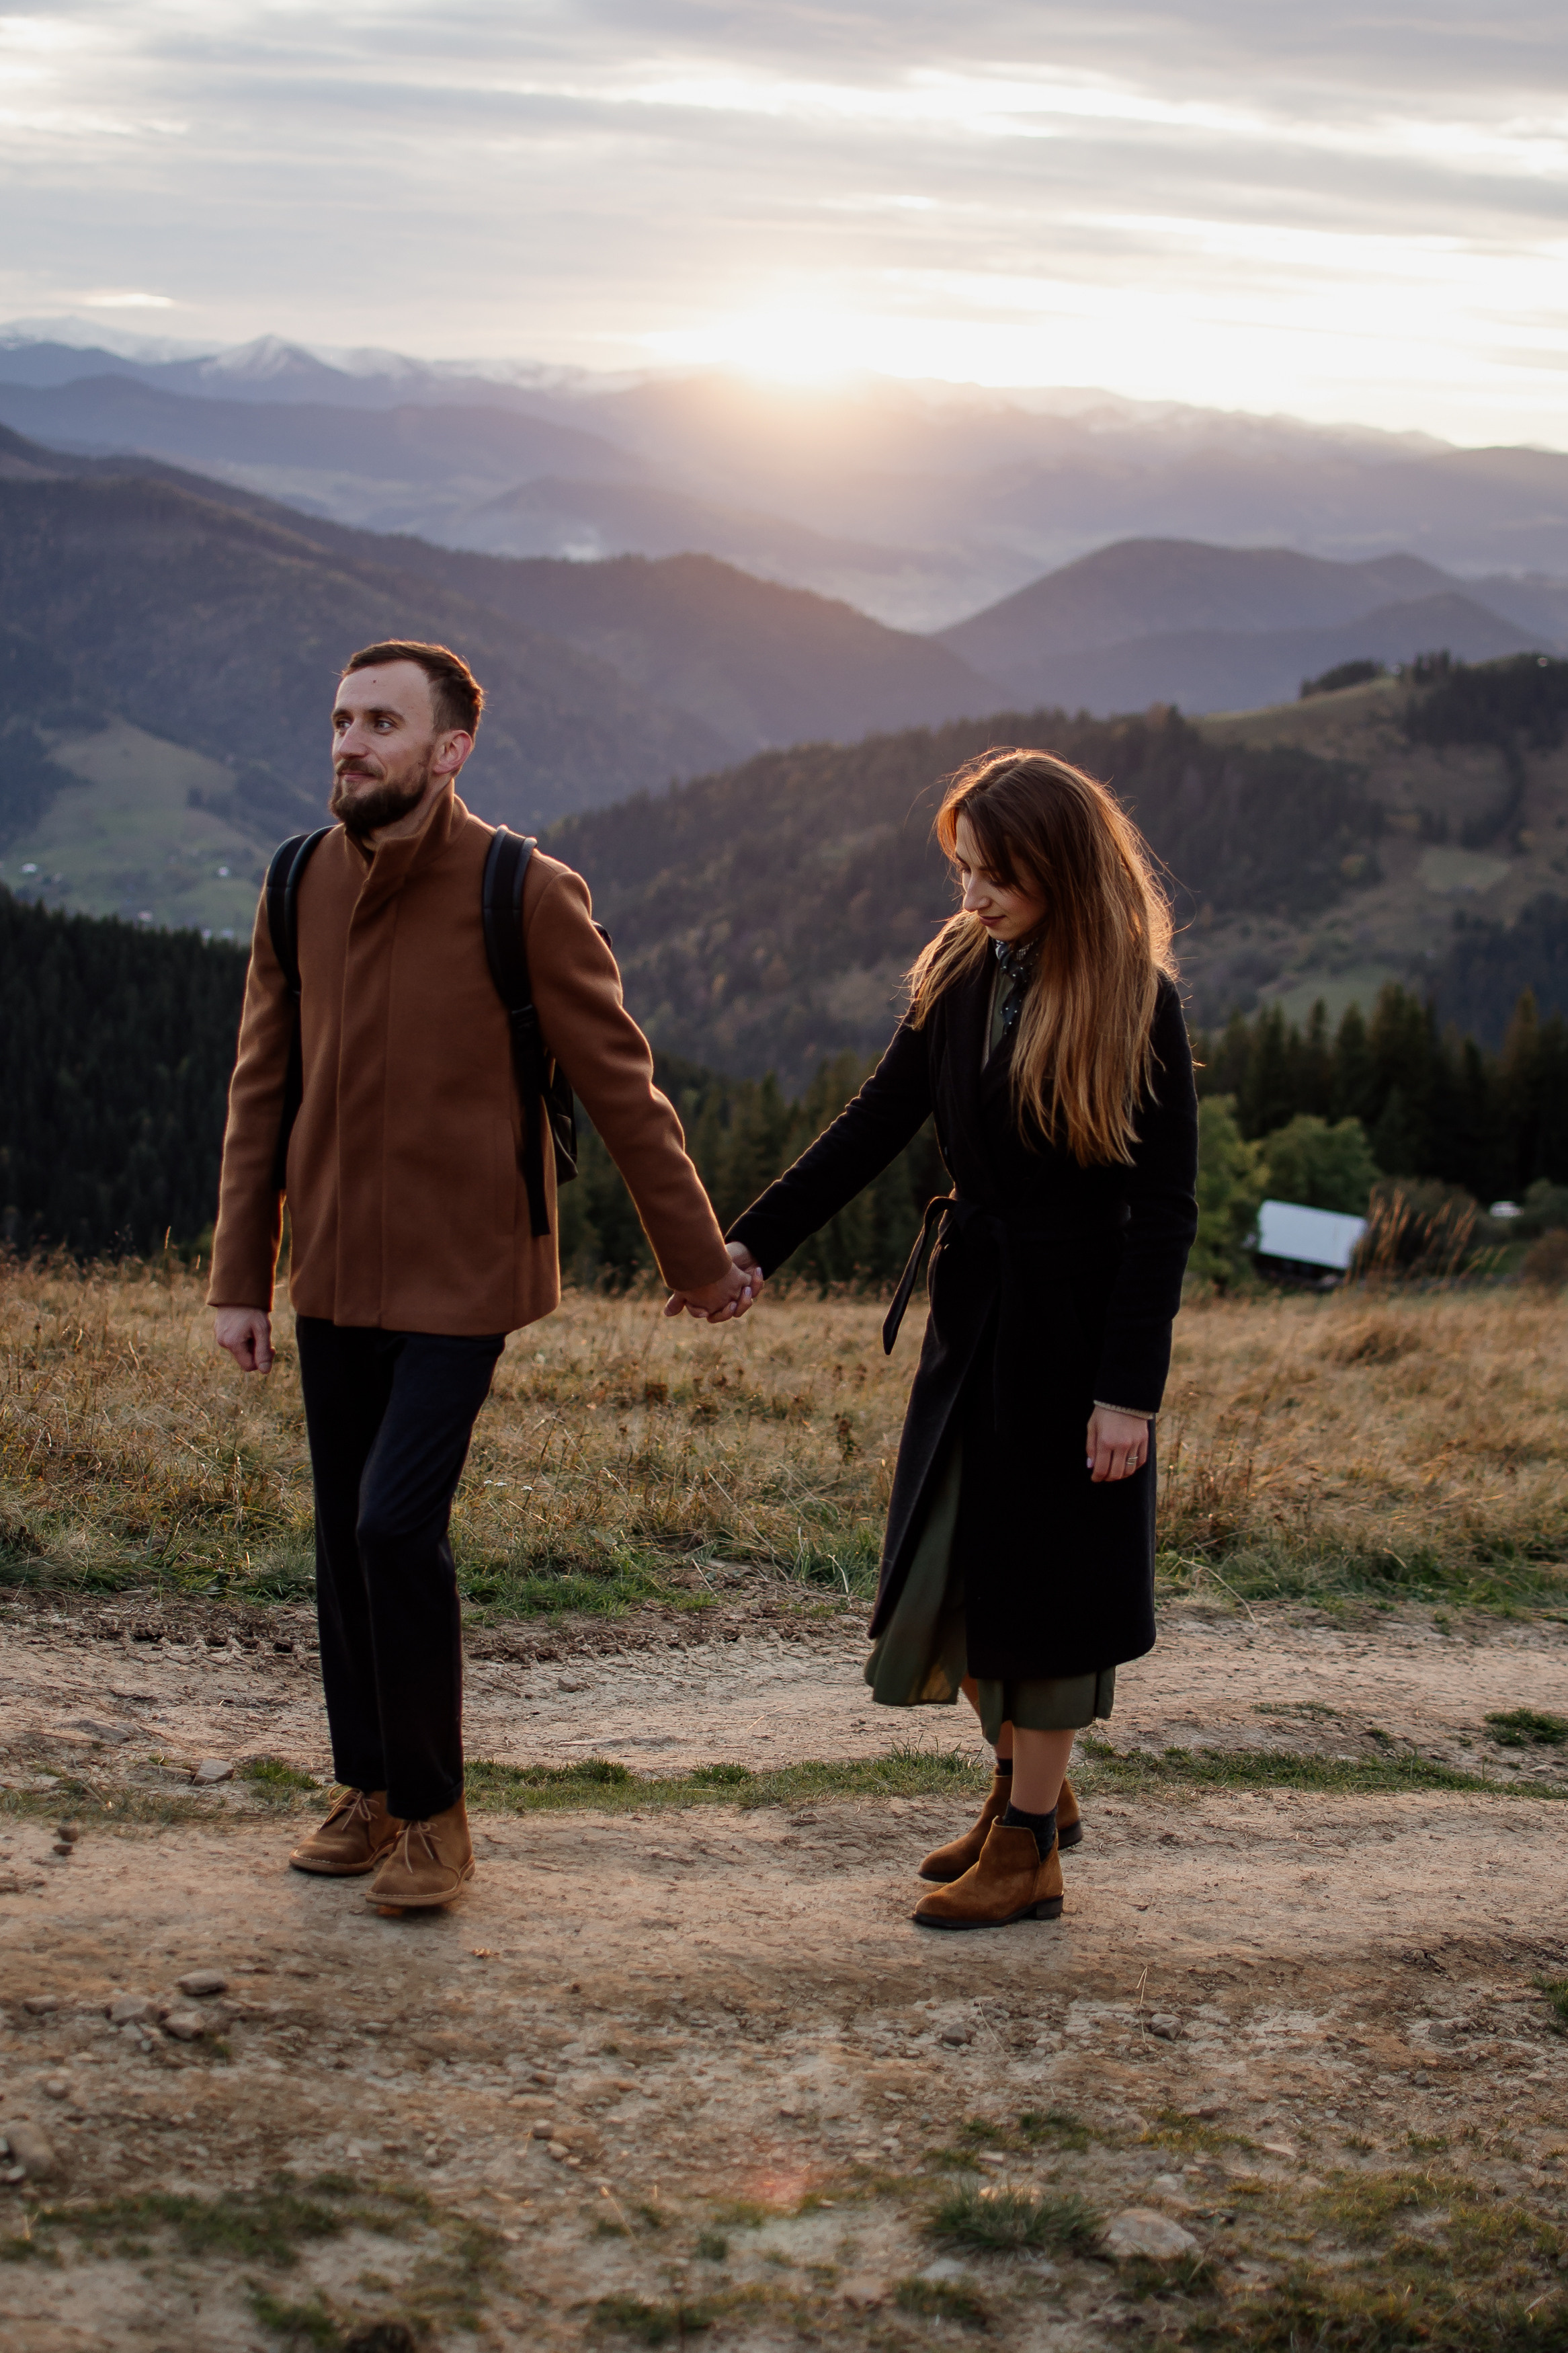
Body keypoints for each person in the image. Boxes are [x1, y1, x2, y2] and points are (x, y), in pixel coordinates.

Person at [208, 639, 752, 1911]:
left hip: (468, 1276)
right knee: (346, 1543)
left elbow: (623, 1088)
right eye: (341, 719)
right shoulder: (296, 883)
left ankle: (435, 1812)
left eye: (381, 723)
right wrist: (243, 1274)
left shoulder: (525, 889)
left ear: (449, 751)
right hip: (333, 1268)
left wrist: (697, 1258)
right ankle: (369, 1787)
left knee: (396, 1524)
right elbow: (259, 1090)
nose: (349, 743)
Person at [717, 747, 1198, 1929]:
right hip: (974, 1312)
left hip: (1075, 1337)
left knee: (1050, 1588)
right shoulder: (958, 969)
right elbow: (875, 1122)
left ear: (1066, 869)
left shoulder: (1136, 998)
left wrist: (1125, 1392)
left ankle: (1031, 1843)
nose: (971, 897)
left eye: (995, 874)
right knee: (964, 1567)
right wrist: (749, 1245)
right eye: (961, 870)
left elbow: (1163, 1212)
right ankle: (1025, 1797)